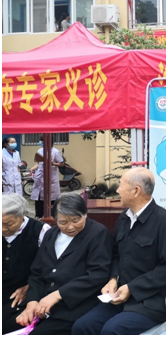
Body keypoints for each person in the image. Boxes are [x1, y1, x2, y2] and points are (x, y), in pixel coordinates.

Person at [72, 168, 166, 335]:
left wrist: (132, 288)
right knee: (82, 326)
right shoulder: (125, 217)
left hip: (151, 301)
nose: (117, 190)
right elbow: (116, 253)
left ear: (136, 190)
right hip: (119, 296)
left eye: (121, 185)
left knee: (112, 330)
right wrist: (113, 278)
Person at [15, 193, 112, 335]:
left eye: (75, 220)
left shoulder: (98, 233)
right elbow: (37, 273)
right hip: (43, 305)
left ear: (85, 214)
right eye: (63, 222)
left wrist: (57, 295)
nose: (70, 227)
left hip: (75, 306)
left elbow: (98, 274)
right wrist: (32, 302)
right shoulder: (51, 234)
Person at [3, 193, 51, 334]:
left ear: (22, 215)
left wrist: (30, 286)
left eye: (9, 224)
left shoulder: (41, 231)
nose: (3, 229)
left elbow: (52, 267)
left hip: (23, 295)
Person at [30, 136, 64, 219]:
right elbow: (38, 163)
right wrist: (33, 168)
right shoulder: (39, 150)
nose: (41, 142)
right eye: (40, 141)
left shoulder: (55, 152)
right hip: (40, 177)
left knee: (51, 199)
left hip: (51, 178)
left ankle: (52, 217)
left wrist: (52, 163)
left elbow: (62, 164)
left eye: (42, 141)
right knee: (39, 198)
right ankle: (38, 216)